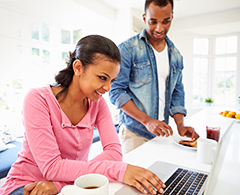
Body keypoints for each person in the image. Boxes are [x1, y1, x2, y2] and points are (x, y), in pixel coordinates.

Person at [0, 35, 165, 195]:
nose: (107, 88)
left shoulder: (98, 104)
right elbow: (51, 167)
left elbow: (114, 152)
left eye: (112, 81)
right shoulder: (37, 99)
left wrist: (59, 184)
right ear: (78, 67)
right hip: (27, 186)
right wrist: (120, 171)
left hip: (71, 186)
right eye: (102, 78)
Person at [109, 0, 199, 154]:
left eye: (166, 21)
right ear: (144, 18)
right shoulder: (128, 49)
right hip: (134, 133)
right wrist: (147, 121)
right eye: (153, 21)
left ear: (172, 17)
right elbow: (116, 91)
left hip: (162, 135)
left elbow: (177, 92)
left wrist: (180, 125)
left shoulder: (176, 55)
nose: (159, 28)